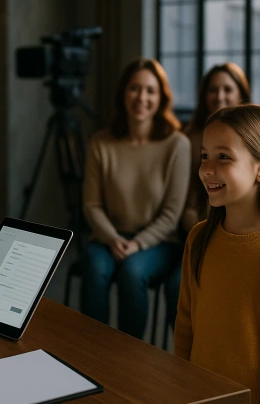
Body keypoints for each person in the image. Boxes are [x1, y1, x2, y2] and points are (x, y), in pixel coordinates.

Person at [174, 104, 260, 403]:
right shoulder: (198, 238)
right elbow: (185, 326)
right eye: (205, 156)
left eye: (224, 157)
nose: (207, 169)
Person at [80, 57, 190, 340]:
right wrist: (113, 239)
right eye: (134, 88)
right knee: (93, 266)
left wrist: (138, 243)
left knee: (132, 271)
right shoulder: (101, 143)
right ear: (123, 94)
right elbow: (92, 205)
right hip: (108, 239)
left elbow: (172, 213)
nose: (142, 97)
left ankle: (130, 359)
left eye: (150, 90)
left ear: (161, 98)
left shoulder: (177, 145)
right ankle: (92, 351)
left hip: (158, 243)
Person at [181, 63, 251, 233]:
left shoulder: (254, 138)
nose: (220, 97)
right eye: (213, 90)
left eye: (228, 89)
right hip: (201, 221)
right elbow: (188, 202)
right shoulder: (190, 139)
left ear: (241, 94)